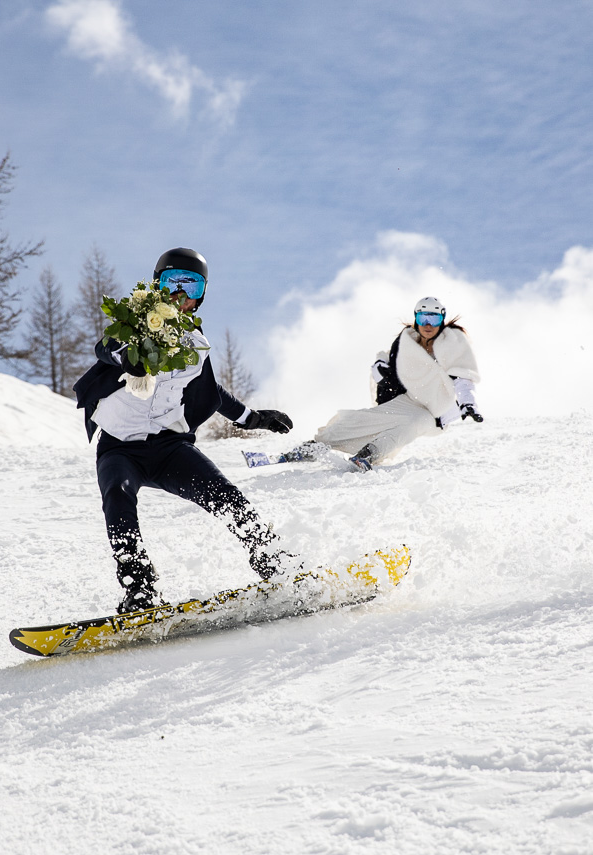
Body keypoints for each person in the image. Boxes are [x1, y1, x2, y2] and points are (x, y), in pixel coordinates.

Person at [73, 247, 297, 613]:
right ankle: (139, 588)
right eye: (171, 282)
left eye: (190, 285)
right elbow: (107, 348)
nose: (179, 293)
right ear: (157, 286)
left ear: (201, 294)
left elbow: (212, 392)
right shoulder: (135, 324)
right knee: (117, 496)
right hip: (119, 449)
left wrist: (255, 419)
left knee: (226, 496)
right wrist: (128, 353)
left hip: (169, 449)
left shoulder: (196, 345)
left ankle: (274, 560)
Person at [289, 296, 483, 470]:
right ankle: (315, 445)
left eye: (434, 319)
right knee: (370, 420)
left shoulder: (452, 344)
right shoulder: (407, 341)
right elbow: (392, 368)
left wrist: (468, 403)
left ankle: (370, 453)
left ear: (442, 319)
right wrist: (380, 368)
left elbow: (462, 377)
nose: (428, 324)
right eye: (423, 318)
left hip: (436, 412)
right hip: (411, 400)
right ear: (416, 318)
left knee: (414, 423)